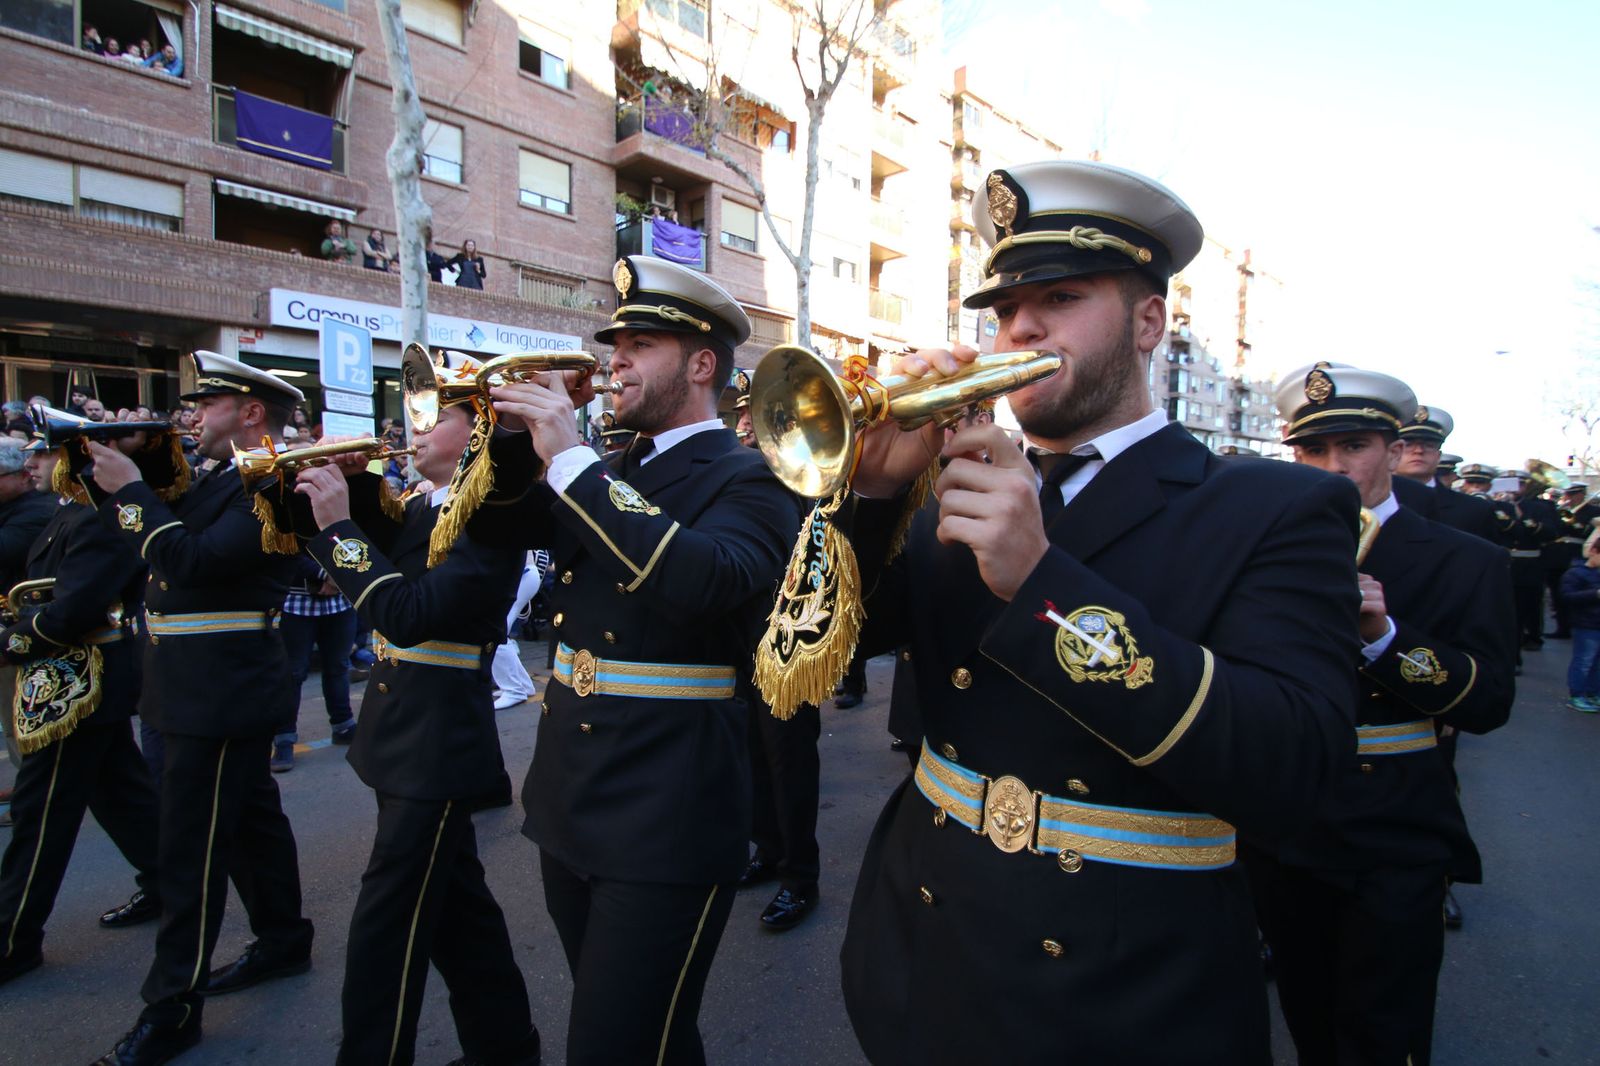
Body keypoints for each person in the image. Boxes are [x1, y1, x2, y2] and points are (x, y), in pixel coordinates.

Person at [835, 160, 1363, 1063]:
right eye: (1004, 310)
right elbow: (811, 652)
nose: (1020, 328)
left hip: (1121, 996)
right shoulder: (950, 480)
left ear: (1149, 321)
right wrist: (872, 496)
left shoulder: (1273, 507)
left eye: (1063, 297)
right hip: (916, 945)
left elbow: (1297, 769)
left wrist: (1041, 585)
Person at [468, 255, 802, 1064]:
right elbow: (499, 528)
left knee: (614, 1044)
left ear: (699, 364)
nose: (613, 359)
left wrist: (570, 459)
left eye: (639, 343)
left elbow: (704, 580)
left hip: (668, 813)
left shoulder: (752, 475)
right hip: (571, 798)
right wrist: (515, 444)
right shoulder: (611, 470)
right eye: (614, 342)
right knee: (647, 1036)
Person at [1247, 363, 1515, 1065]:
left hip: (1394, 825)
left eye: (1354, 447)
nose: (1332, 469)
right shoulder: (1259, 548)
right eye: (1312, 451)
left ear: (1396, 452)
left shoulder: (1466, 559)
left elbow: (1489, 701)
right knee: (1306, 1012)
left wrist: (1387, 640)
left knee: (1383, 1029)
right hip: (1286, 820)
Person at [84, 351, 315, 1066]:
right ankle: (282, 938)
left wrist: (130, 490)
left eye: (207, 405)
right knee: (250, 820)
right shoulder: (220, 476)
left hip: (217, 692)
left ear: (250, 412)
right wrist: (133, 466)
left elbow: (189, 561)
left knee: (189, 850)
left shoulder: (275, 481)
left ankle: (171, 1008)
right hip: (193, 685)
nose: (191, 417)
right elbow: (160, 530)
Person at [292, 402, 541, 1066]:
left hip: (436, 744)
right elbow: (384, 543)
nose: (418, 431)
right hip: (405, 732)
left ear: (477, 436)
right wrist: (344, 486)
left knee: (387, 929)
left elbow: (404, 613)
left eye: (438, 419)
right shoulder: (429, 504)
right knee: (461, 916)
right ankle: (507, 1048)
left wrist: (340, 524)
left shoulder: (489, 516)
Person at [0, 423, 163, 988]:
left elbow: (71, 611)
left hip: (81, 676)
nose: (34, 467)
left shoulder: (100, 514)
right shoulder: (72, 509)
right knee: (121, 794)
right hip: (72, 673)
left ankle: (12, 937)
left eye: (44, 456)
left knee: (39, 813)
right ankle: (168, 882)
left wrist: (10, 639)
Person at [270, 555, 357, 773]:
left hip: (340, 601)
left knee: (338, 667)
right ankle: (284, 739)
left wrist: (340, 577)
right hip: (296, 603)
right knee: (293, 673)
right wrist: (324, 575)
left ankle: (343, 726)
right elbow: (286, 551)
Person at [0, 437, 56, 769]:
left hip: (26, 631)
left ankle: (31, 785)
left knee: (21, 721)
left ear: (22, 477)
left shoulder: (37, 509)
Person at [1392, 406, 1499, 542]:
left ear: (1439, 456)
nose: (1418, 450)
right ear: (1393, 451)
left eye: (1429, 445)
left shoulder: (1475, 509)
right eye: (1408, 444)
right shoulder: (1367, 501)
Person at [1560, 531, 1600, 712]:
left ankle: (1593, 693)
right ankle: (1576, 694)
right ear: (1593, 551)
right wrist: (1595, 594)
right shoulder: (1576, 573)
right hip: (1586, 624)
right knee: (1584, 660)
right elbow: (1567, 597)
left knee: (1597, 663)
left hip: (1595, 623)